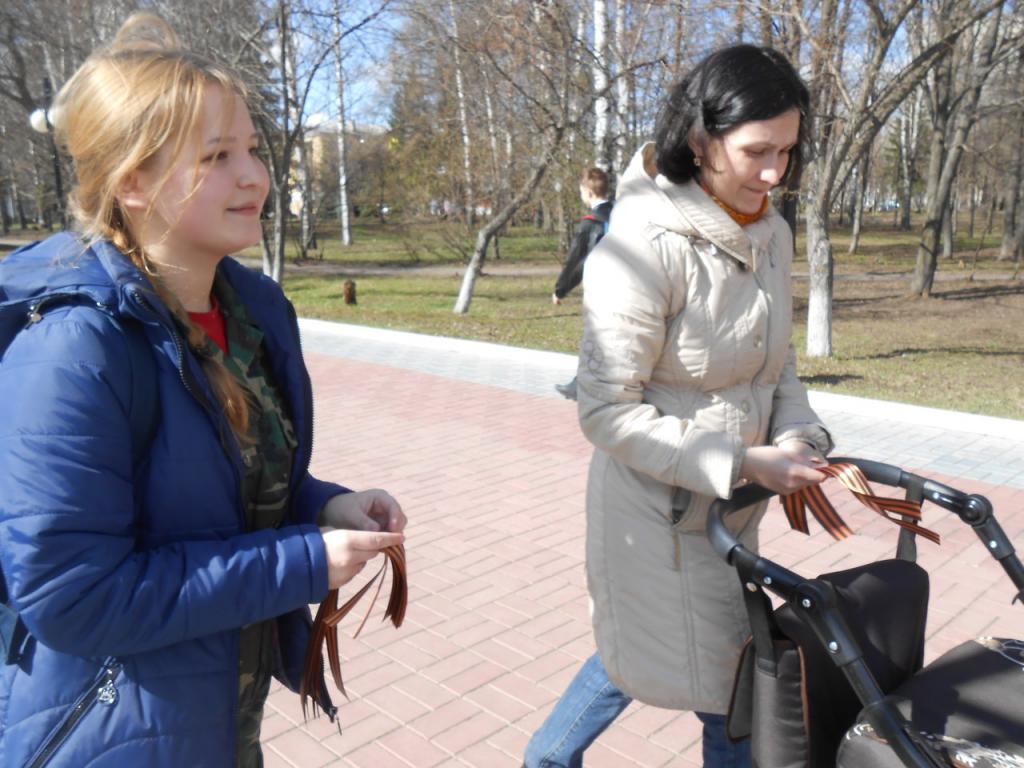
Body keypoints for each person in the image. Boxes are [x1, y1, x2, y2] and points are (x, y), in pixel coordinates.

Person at [0, 14, 405, 767]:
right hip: (110, 735)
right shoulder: (76, 350)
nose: (254, 175)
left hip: (216, 723)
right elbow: (73, 599)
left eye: (252, 149)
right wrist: (305, 561)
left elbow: (213, 493)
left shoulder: (252, 311)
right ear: (133, 182)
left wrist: (321, 505)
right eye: (217, 156)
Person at [524, 44, 832, 768]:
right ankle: (547, 759)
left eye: (787, 151)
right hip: (655, 516)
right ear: (700, 140)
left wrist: (800, 434)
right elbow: (606, 412)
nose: (775, 173)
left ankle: (545, 759)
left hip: (730, 512)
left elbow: (776, 362)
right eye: (756, 151)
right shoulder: (639, 245)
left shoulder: (772, 233)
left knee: (660, 652)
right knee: (724, 686)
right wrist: (741, 461)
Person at [552, 167, 613, 400]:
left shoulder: (590, 223)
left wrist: (560, 289)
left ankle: (581, 386)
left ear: (588, 192)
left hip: (602, 291)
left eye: (580, 191)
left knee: (595, 338)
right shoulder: (623, 215)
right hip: (632, 287)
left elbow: (576, 262)